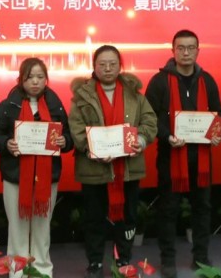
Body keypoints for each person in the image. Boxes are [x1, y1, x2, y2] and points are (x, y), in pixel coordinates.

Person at [68, 45, 157, 278]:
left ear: (120, 66)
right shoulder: (82, 96)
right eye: (102, 64)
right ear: (94, 66)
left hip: (127, 168)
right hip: (94, 168)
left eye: (112, 64)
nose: (107, 68)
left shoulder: (134, 93)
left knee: (128, 217)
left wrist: (140, 140)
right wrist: (92, 148)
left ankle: (124, 260)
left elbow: (149, 121)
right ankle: (95, 262)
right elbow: (75, 127)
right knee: (94, 218)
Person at [145, 29, 221, 278]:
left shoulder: (207, 80)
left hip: (201, 159)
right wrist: (167, 136)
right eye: (181, 48)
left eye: (191, 48)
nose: (186, 52)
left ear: (198, 51)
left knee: (202, 209)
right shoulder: (160, 81)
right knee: (168, 210)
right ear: (173, 51)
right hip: (171, 156)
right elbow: (149, 116)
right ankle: (168, 260)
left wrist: (216, 133)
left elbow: (218, 113)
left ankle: (201, 257)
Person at [0, 57, 73, 277]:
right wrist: (6, 144)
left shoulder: (55, 104)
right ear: (21, 79)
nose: (35, 81)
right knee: (17, 226)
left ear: (46, 79)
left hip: (47, 177)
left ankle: (41, 270)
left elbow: (69, 135)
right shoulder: (9, 105)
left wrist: (64, 141)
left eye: (40, 77)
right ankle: (17, 271)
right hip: (15, 176)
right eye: (30, 77)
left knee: (42, 226)